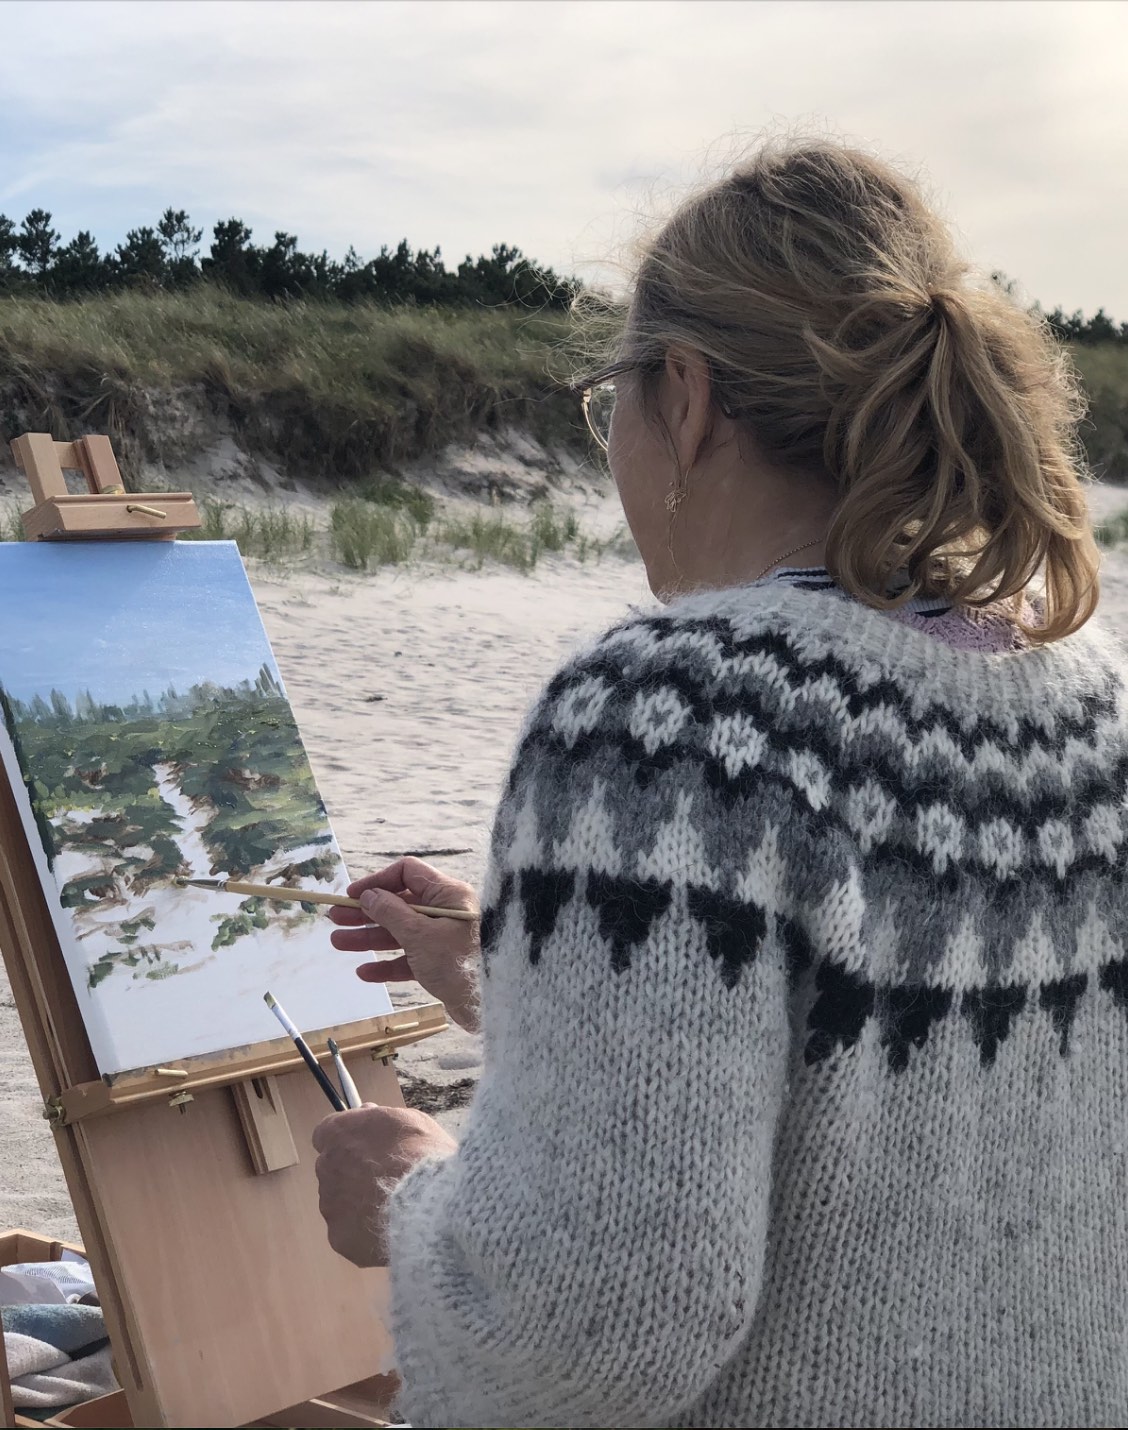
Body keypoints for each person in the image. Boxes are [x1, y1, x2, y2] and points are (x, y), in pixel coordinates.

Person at [312, 136, 1128, 1428]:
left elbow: (592, 1329)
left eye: (610, 405)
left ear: (685, 398)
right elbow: (912, 1075)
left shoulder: (667, 723)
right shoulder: (1092, 699)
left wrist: (408, 1198)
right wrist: (522, 964)